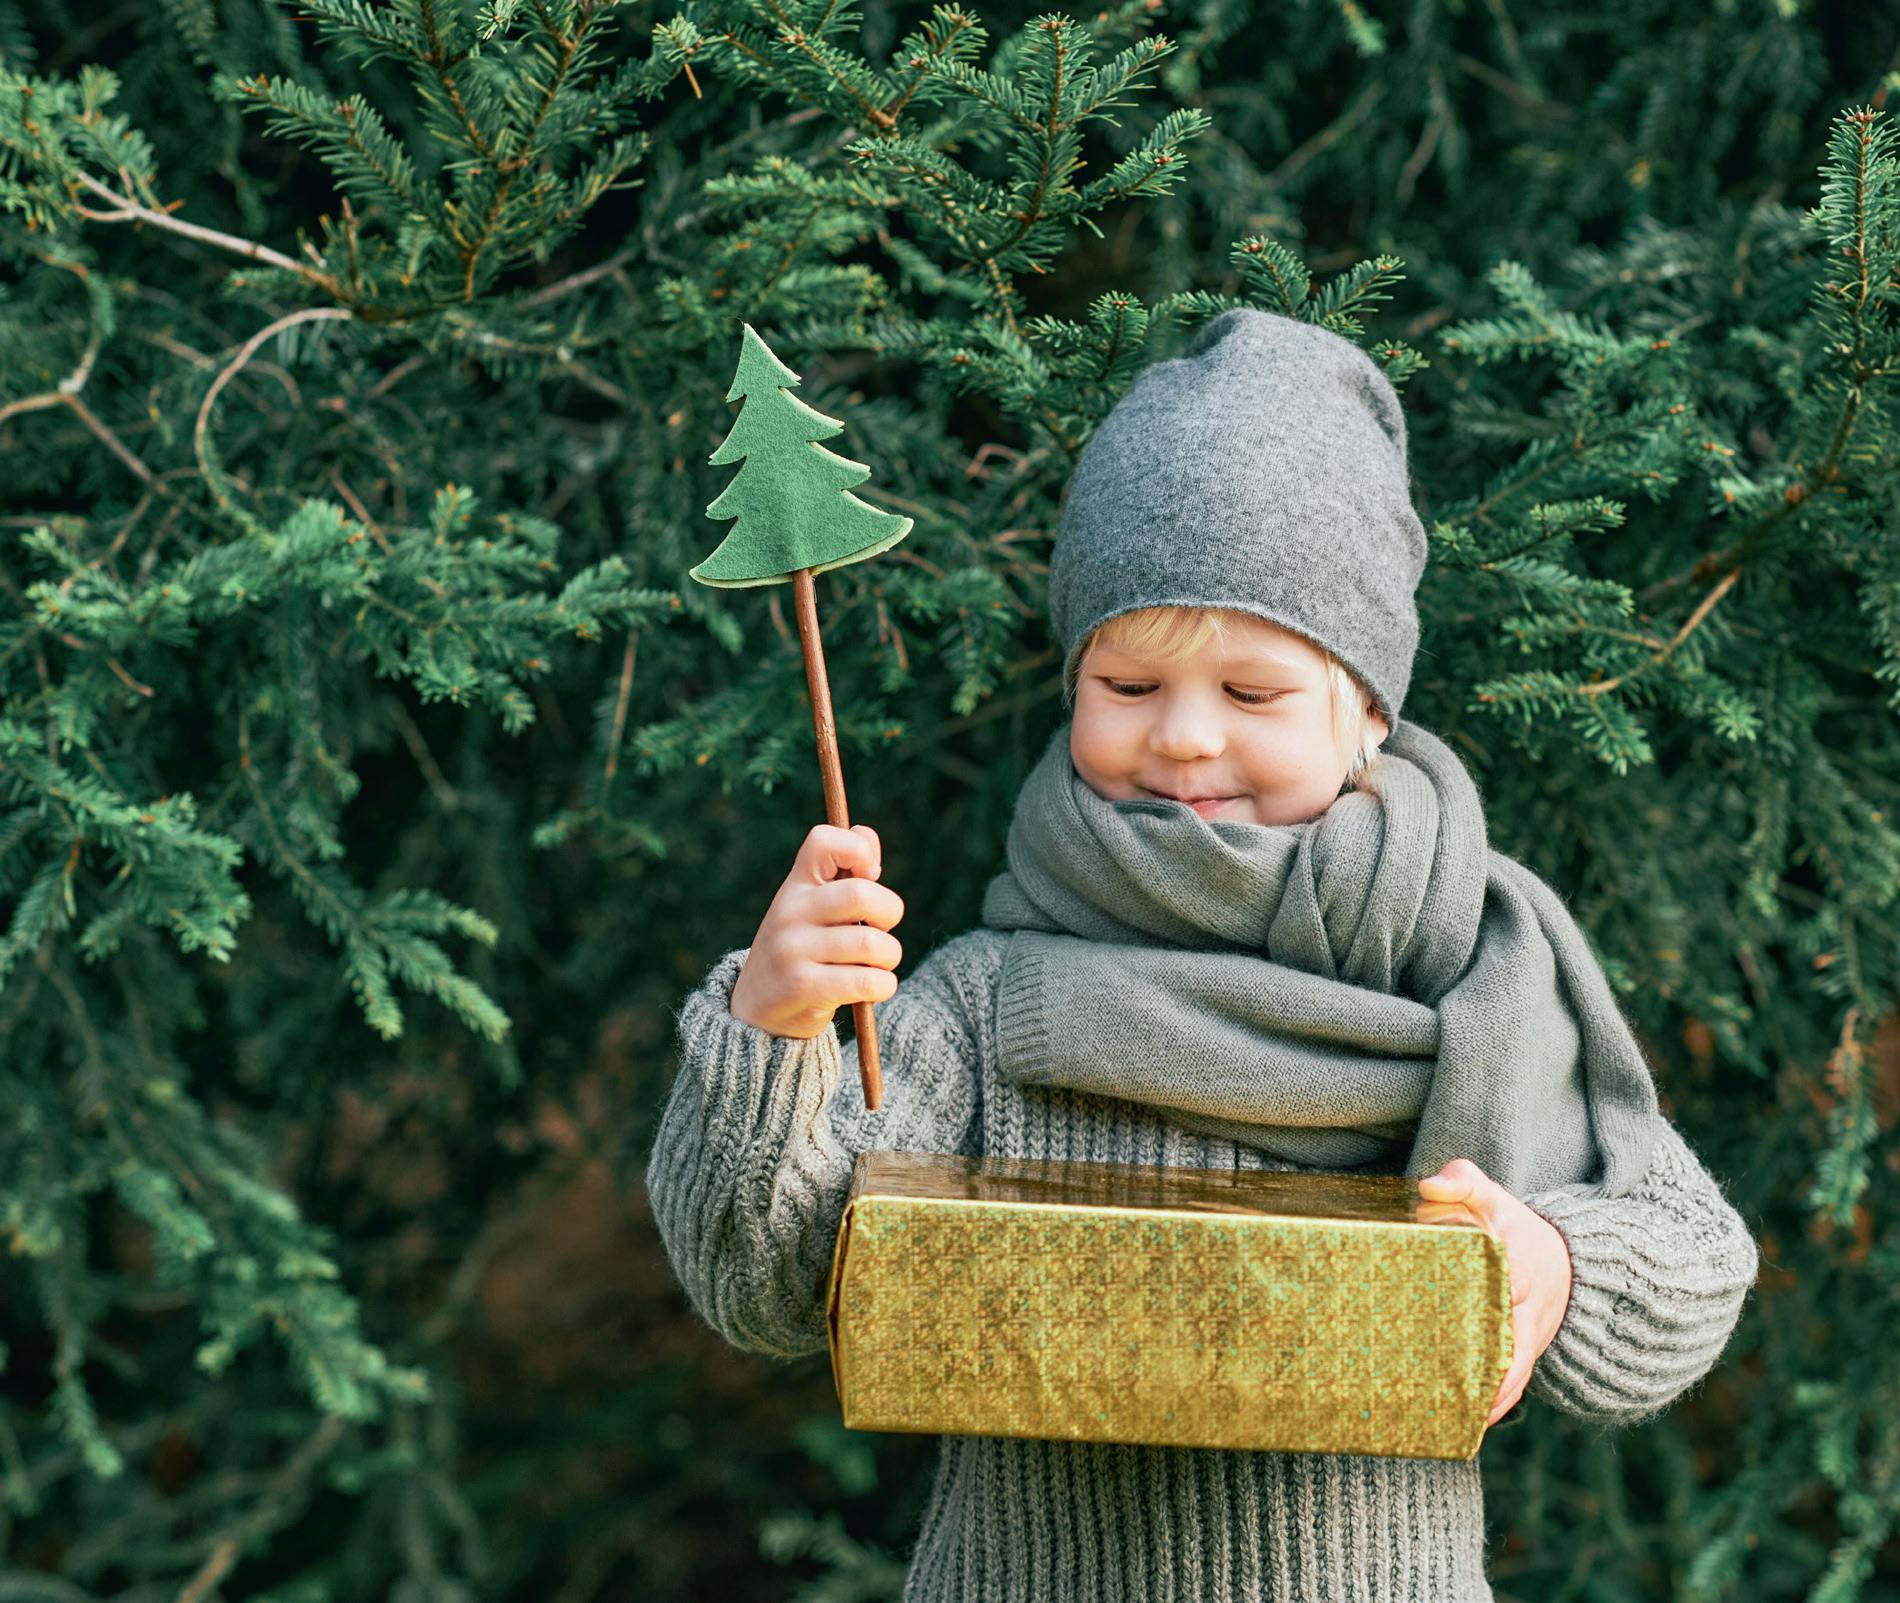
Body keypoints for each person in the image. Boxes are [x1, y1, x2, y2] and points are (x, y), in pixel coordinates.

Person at [647, 307, 1762, 1602]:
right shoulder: (987, 1005)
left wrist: (1556, 1269)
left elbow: (1690, 1254)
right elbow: (771, 1285)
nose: (1182, 736)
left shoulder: (1465, 975)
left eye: (1250, 693)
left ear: (1367, 713)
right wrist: (772, 1032)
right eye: (1127, 686)